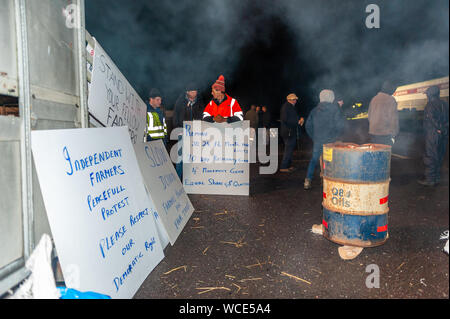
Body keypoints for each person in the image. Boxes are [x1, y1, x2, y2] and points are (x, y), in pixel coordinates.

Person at [304, 89, 346, 189]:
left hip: (318, 140)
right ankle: (328, 182)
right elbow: (340, 125)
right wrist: (335, 137)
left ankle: (307, 181)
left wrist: (314, 136)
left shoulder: (314, 110)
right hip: (330, 141)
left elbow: (308, 125)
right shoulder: (335, 109)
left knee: (314, 159)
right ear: (331, 98)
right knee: (329, 161)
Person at [417, 85, 449, 186]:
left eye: (427, 94)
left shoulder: (430, 105)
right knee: (439, 155)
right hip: (443, 134)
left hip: (433, 134)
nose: (427, 96)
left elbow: (432, 120)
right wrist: (444, 130)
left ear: (430, 95)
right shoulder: (445, 104)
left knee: (431, 156)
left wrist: (440, 129)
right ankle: (437, 177)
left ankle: (430, 179)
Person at [172, 83, 204, 179]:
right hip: (182, 133)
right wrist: (177, 129)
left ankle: (191, 180)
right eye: (193, 91)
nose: (195, 93)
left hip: (195, 134)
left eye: (196, 91)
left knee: (193, 157)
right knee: (181, 157)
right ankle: (178, 178)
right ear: (187, 92)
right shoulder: (180, 102)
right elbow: (175, 116)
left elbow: (202, 116)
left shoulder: (199, 103)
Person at [367, 81, 399, 146]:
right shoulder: (391, 100)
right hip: (385, 134)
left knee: (375, 153)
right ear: (389, 88)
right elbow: (393, 119)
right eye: (394, 89)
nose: (394, 91)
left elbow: (369, 116)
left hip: (373, 132)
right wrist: (394, 134)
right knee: (385, 153)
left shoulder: (374, 99)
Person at [279, 93, 303, 172]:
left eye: (295, 99)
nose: (295, 101)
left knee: (290, 149)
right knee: (288, 149)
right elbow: (285, 119)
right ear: (289, 100)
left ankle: (288, 166)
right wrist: (297, 121)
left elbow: (292, 118)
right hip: (288, 132)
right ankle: (283, 167)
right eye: (294, 99)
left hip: (290, 131)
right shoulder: (286, 107)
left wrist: (299, 119)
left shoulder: (290, 107)